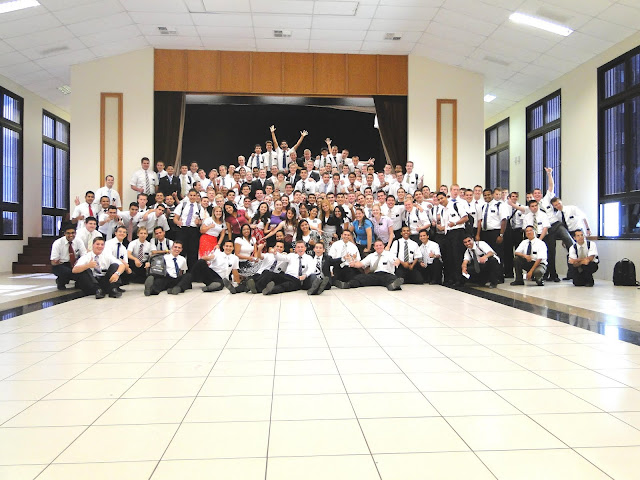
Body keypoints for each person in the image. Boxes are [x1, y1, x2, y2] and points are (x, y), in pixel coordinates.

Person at [333, 239, 404, 291]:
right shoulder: (371, 256)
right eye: (377, 246)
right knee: (360, 277)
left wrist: (397, 262)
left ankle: (393, 286)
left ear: (383, 246)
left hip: (387, 274)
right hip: (375, 275)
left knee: (392, 279)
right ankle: (347, 285)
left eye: (380, 245)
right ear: (374, 247)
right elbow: (361, 264)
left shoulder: (389, 254)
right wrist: (354, 264)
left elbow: (397, 260)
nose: (379, 247)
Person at [50, 224, 86, 290]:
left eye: (73, 233)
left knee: (85, 270)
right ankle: (61, 282)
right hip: (61, 264)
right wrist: (57, 261)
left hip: (75, 263)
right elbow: (53, 261)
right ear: (64, 234)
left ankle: (78, 282)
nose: (71, 235)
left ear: (75, 233)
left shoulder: (79, 241)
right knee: (67, 271)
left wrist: (79, 262)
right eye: (68, 233)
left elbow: (84, 255)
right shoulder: (58, 243)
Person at [173, 189, 203, 268]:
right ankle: (178, 269)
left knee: (192, 251)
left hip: (193, 230)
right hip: (183, 229)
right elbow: (175, 218)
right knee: (181, 249)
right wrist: (178, 222)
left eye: (194, 195)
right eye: (191, 195)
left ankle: (191, 271)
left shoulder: (199, 207)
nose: (192, 197)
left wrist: (199, 222)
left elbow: (202, 221)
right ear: (188, 195)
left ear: (197, 196)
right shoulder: (182, 205)